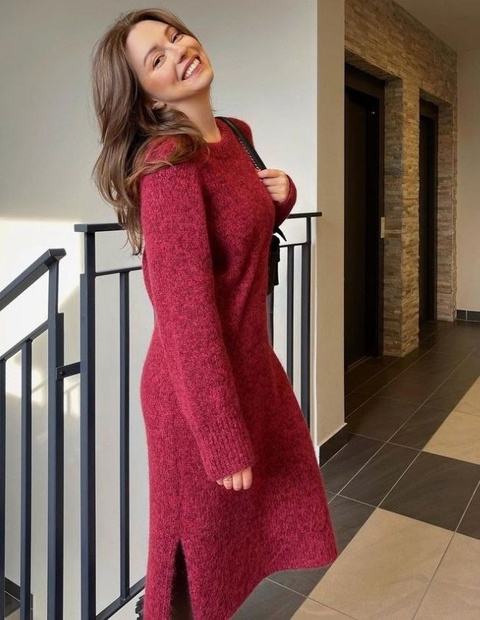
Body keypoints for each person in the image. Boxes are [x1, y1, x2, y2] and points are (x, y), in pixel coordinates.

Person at [91, 8, 337, 620]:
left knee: (239, 545)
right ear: (147, 98)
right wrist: (222, 437)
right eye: (156, 58)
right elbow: (186, 317)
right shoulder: (170, 166)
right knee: (189, 567)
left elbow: (236, 237)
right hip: (194, 393)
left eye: (174, 36)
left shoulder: (233, 133)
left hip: (248, 368)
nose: (179, 51)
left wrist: (281, 199)